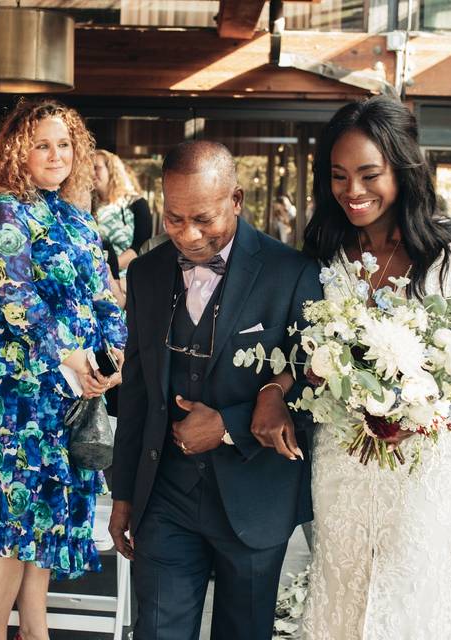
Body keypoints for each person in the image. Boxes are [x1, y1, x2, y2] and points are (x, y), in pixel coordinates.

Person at [298, 96, 451, 639]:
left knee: (415, 582)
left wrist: (423, 402)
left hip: (424, 459)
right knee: (341, 581)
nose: (353, 192)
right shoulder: (325, 248)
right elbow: (301, 346)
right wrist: (319, 372)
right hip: (343, 455)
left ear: (403, 168)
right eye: (339, 177)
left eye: (368, 174)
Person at [108, 140, 322, 640]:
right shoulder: (145, 273)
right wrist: (123, 496)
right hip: (165, 497)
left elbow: (316, 389)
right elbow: (137, 393)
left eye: (203, 218)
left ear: (237, 199)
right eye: (175, 218)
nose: (188, 235)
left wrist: (227, 426)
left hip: (255, 499)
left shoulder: (292, 274)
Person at [0, 99, 126, 640]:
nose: (56, 154)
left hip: (70, 392)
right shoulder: (4, 209)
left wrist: (112, 356)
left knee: (48, 513)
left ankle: (36, 630)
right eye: (42, 144)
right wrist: (70, 354)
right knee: (9, 517)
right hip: (16, 393)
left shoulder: (79, 216)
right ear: (18, 152)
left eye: (64, 143)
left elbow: (104, 295)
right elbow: (13, 294)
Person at [92, 149, 153, 280]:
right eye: (89, 168)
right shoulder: (89, 206)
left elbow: (140, 247)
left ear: (112, 170)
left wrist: (108, 268)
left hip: (129, 278)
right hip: (97, 277)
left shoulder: (137, 203)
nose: (92, 172)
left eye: (97, 168)